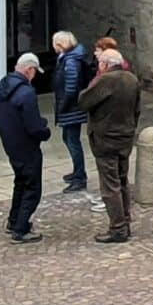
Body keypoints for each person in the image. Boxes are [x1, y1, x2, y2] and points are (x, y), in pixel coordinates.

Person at [76, 46, 144, 243]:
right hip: (125, 137)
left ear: (105, 64)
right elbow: (137, 109)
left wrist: (95, 81)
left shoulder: (106, 80)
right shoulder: (131, 79)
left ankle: (118, 227)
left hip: (106, 138)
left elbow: (83, 101)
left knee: (110, 185)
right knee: (122, 180)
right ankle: (125, 221)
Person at [0, 53, 50, 244]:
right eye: (34, 72)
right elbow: (34, 126)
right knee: (32, 187)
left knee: (20, 182)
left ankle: (14, 219)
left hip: (11, 144)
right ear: (29, 70)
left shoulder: (2, 88)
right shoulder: (26, 93)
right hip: (27, 146)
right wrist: (44, 129)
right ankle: (20, 228)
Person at [51, 30, 91, 192]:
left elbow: (71, 87)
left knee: (73, 141)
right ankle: (77, 171)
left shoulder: (71, 61)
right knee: (68, 139)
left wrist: (63, 106)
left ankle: (80, 177)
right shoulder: (67, 59)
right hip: (70, 107)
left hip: (72, 108)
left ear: (60, 45)